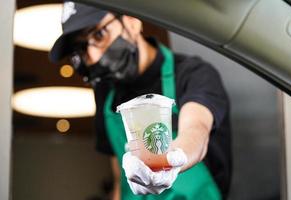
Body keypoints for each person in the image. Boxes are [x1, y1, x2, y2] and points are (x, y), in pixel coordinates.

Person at [49, 1, 232, 200]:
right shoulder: (105, 95)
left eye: (99, 34)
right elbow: (119, 176)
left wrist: (171, 162)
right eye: (82, 49)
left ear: (132, 22)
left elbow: (196, 131)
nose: (92, 57)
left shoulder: (193, 74)